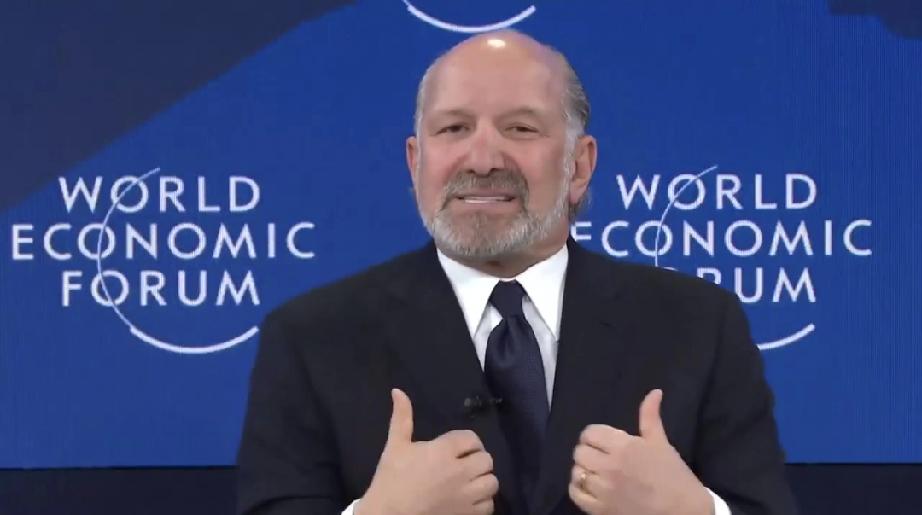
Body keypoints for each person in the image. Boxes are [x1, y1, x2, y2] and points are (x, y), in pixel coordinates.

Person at [236, 30, 797, 515]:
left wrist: (691, 511)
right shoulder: (312, 339)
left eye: (521, 129)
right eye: (453, 129)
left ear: (579, 166)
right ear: (416, 161)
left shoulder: (698, 324)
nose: (482, 160)